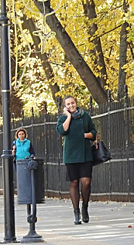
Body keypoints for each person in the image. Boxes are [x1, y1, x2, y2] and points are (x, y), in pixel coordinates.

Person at [56, 95, 96, 225]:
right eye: (68, 104)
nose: (71, 105)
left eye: (72, 103)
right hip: (71, 154)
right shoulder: (63, 118)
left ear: (76, 103)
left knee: (86, 182)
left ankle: (85, 207)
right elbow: (62, 131)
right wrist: (68, 117)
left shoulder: (85, 116)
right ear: (65, 106)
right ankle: (76, 211)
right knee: (74, 182)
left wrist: (86, 135)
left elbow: (93, 131)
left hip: (85, 154)